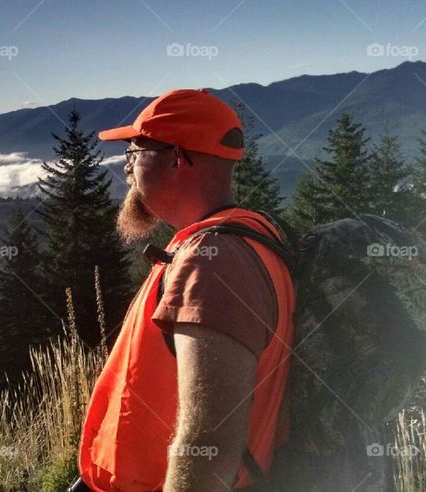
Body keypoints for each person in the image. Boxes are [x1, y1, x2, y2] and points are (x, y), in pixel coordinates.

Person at [71, 89, 296, 491]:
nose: (127, 170)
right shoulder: (239, 241)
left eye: (134, 153)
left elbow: (208, 442)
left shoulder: (212, 262)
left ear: (176, 158)